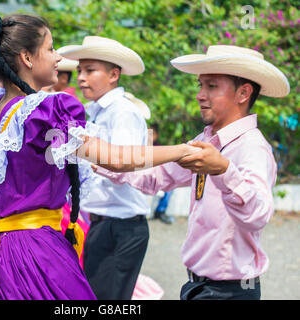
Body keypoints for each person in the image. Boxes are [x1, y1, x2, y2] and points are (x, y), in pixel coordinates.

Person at [0, 14, 197, 300]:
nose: (58, 58)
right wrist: (183, 151)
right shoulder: (46, 110)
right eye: (50, 49)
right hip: (37, 251)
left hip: (2, 250)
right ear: (27, 58)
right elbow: (115, 159)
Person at [94, 45, 290, 300]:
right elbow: (157, 175)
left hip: (229, 291)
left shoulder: (251, 147)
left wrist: (223, 170)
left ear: (243, 93)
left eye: (211, 86)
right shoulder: (208, 141)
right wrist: (104, 160)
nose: (200, 95)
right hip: (200, 286)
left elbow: (258, 214)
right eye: (201, 85)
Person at [58, 36, 152, 300]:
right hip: (102, 222)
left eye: (90, 70)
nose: (81, 78)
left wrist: (80, 150)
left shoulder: (122, 112)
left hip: (121, 225)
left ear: (114, 74)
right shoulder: (96, 111)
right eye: (79, 71)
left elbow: (122, 163)